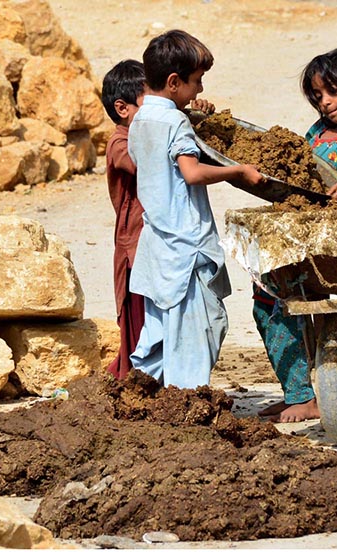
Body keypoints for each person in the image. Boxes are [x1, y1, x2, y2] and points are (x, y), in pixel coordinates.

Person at [254, 48, 337, 422]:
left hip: (334, 252)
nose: (325, 103)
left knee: (286, 296)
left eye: (333, 93)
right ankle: (296, 389)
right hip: (301, 241)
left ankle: (306, 397)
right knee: (266, 300)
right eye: (318, 96)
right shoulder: (316, 132)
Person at [128, 29, 265, 389]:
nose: (201, 90)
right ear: (174, 82)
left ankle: (145, 399)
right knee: (197, 331)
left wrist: (189, 115)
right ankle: (186, 406)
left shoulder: (139, 120)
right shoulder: (175, 122)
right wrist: (237, 170)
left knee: (162, 331)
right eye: (197, 81)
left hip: (158, 245)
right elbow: (191, 172)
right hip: (186, 247)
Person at [100, 59, 147, 380]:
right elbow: (141, 163)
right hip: (135, 249)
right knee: (138, 327)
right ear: (123, 108)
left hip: (153, 246)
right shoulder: (120, 142)